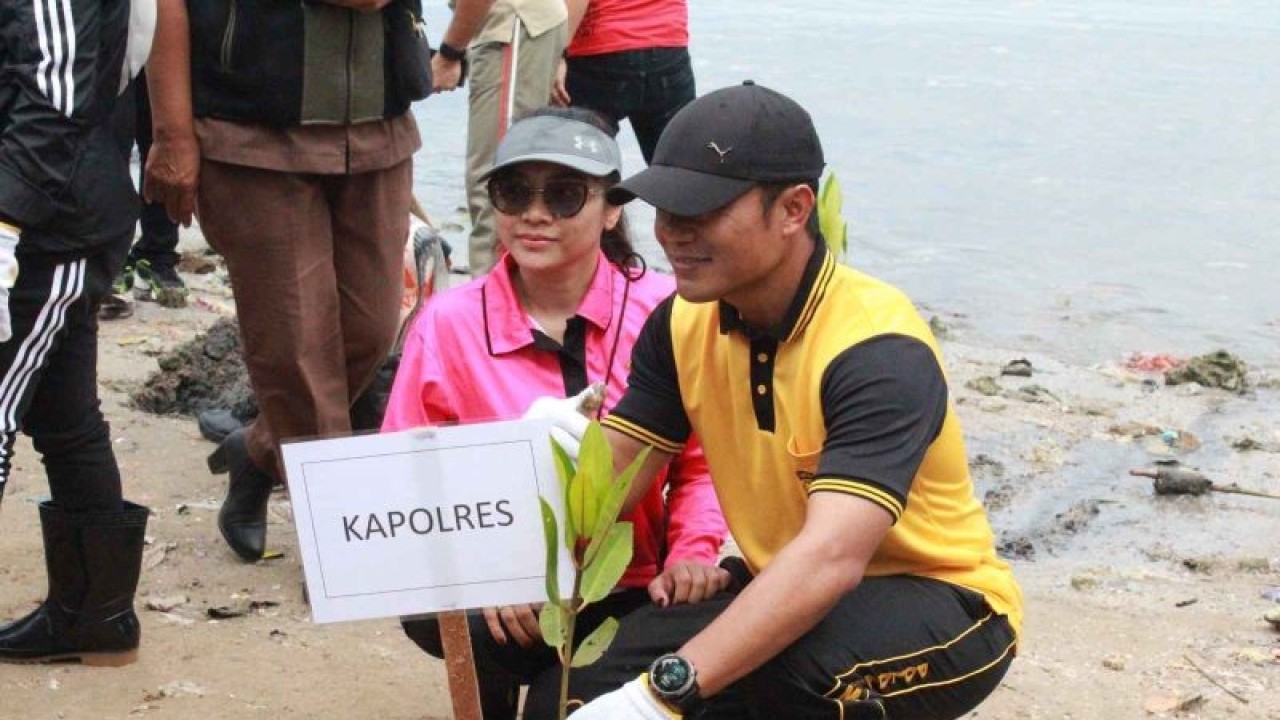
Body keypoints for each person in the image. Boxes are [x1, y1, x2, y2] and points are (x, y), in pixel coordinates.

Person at [550, 82, 1023, 719]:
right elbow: (606, 482)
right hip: (786, 580)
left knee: (781, 685)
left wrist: (659, 696)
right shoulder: (682, 322)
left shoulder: (876, 348)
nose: (673, 234)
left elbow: (830, 559)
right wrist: (533, 472)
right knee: (590, 677)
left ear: (795, 208)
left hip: (945, 602)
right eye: (665, 210)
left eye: (703, 210)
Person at [381, 107, 728, 719]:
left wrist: (692, 552)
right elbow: (409, 475)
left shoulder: (669, 311)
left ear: (613, 207)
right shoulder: (448, 322)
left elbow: (704, 461)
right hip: (498, 587)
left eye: (565, 194)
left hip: (632, 580)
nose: (534, 215)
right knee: (473, 624)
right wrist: (490, 568)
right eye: (514, 193)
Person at [145, 0, 424, 562]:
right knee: (296, 350)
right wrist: (173, 134)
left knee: (371, 331)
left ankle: (258, 450)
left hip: (378, 127)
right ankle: (342, 542)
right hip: (249, 132)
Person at [0, 0, 151, 665]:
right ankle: (95, 616)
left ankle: (95, 615)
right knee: (63, 415)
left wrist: (5, 222)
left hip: (51, 221)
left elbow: (57, 88)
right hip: (55, 208)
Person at [432, 0, 573, 277]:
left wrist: (450, 52)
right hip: (522, 27)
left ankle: (492, 308)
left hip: (512, 26)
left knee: (497, 185)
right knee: (514, 181)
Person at [555, 0, 696, 165]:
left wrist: (558, 54)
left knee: (582, 163)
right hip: (667, 46)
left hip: (600, 50)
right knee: (676, 166)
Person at [109, 71, 188, 308]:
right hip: (112, 47)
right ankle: (110, 257)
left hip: (157, 45)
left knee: (162, 141)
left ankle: (158, 255)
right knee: (111, 144)